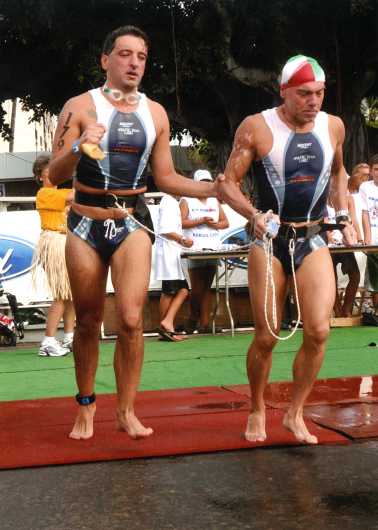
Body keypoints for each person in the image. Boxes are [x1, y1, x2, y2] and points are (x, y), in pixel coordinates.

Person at [48, 26, 220, 440]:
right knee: (88, 321)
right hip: (86, 221)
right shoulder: (79, 106)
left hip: (132, 221)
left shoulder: (156, 113)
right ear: (106, 60)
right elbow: (54, 175)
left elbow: (165, 177)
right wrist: (77, 146)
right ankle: (86, 407)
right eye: (125, 55)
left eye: (141, 57)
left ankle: (126, 411)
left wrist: (214, 188)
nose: (134, 63)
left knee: (129, 319)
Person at [218, 55, 355, 444]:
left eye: (319, 93)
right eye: (304, 94)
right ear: (284, 92)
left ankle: (295, 413)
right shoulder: (257, 127)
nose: (313, 101)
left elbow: (340, 172)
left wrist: (341, 211)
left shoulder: (334, 126)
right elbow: (228, 183)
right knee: (266, 335)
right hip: (268, 239)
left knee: (319, 330)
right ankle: (257, 407)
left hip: (311, 238)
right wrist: (252, 214)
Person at [32, 155, 75, 357]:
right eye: (48, 170)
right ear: (40, 176)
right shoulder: (44, 193)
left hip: (64, 241)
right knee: (60, 293)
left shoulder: (62, 192)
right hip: (54, 241)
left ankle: (69, 337)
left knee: (69, 294)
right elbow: (74, 196)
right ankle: (48, 341)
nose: (53, 172)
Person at [180, 169, 229, 334]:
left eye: (208, 181)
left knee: (207, 286)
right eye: (202, 182)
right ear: (195, 183)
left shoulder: (214, 201)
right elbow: (181, 222)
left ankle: (205, 324)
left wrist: (214, 225)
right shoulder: (187, 200)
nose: (206, 185)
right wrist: (200, 220)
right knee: (197, 287)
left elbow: (225, 223)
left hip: (213, 247)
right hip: (195, 248)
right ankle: (193, 317)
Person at [155, 192, 193, 341]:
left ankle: (166, 324)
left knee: (182, 290)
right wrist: (183, 239)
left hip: (171, 251)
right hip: (167, 252)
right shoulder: (168, 202)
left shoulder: (172, 202)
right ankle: (166, 327)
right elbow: (166, 230)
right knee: (170, 291)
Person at [325, 196, 360, 317]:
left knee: (355, 275)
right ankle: (338, 310)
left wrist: (360, 237)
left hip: (346, 244)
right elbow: (323, 221)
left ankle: (347, 309)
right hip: (328, 245)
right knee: (331, 279)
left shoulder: (348, 198)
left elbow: (354, 218)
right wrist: (329, 238)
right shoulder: (322, 195)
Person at [360, 154, 378, 324]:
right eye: (376, 169)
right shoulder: (366, 187)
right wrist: (367, 237)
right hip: (373, 234)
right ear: (371, 171)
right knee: (372, 273)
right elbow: (365, 213)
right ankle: (368, 308)